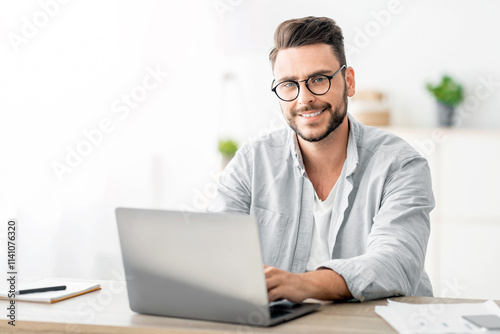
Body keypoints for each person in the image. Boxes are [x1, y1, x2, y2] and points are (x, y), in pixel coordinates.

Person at [208, 16, 434, 302]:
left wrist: (303, 285)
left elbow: (397, 263)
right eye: (289, 84)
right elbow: (214, 253)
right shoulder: (252, 163)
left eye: (319, 79)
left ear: (348, 81)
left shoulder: (400, 165)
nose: (304, 99)